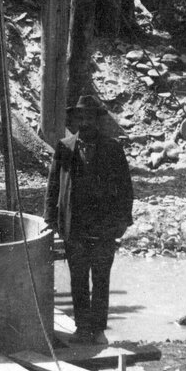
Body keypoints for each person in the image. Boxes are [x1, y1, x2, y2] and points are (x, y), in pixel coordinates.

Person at [44, 95, 134, 344]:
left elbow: (126, 189)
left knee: (101, 278)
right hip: (75, 226)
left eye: (90, 118)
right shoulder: (64, 147)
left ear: (97, 120)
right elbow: (53, 186)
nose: (85, 122)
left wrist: (123, 221)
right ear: (75, 120)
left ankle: (98, 328)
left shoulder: (113, 148)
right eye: (81, 117)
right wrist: (50, 219)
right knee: (79, 278)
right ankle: (82, 327)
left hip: (104, 226)